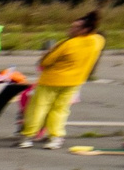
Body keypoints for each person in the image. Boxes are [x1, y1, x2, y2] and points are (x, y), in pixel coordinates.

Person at [20, 11, 102, 150]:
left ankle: (28, 136)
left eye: (75, 27)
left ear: (84, 29)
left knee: (38, 108)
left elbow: (46, 62)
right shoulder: (97, 41)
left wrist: (47, 53)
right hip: (74, 81)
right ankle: (56, 137)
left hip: (52, 80)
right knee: (60, 110)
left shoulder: (67, 44)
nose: (70, 30)